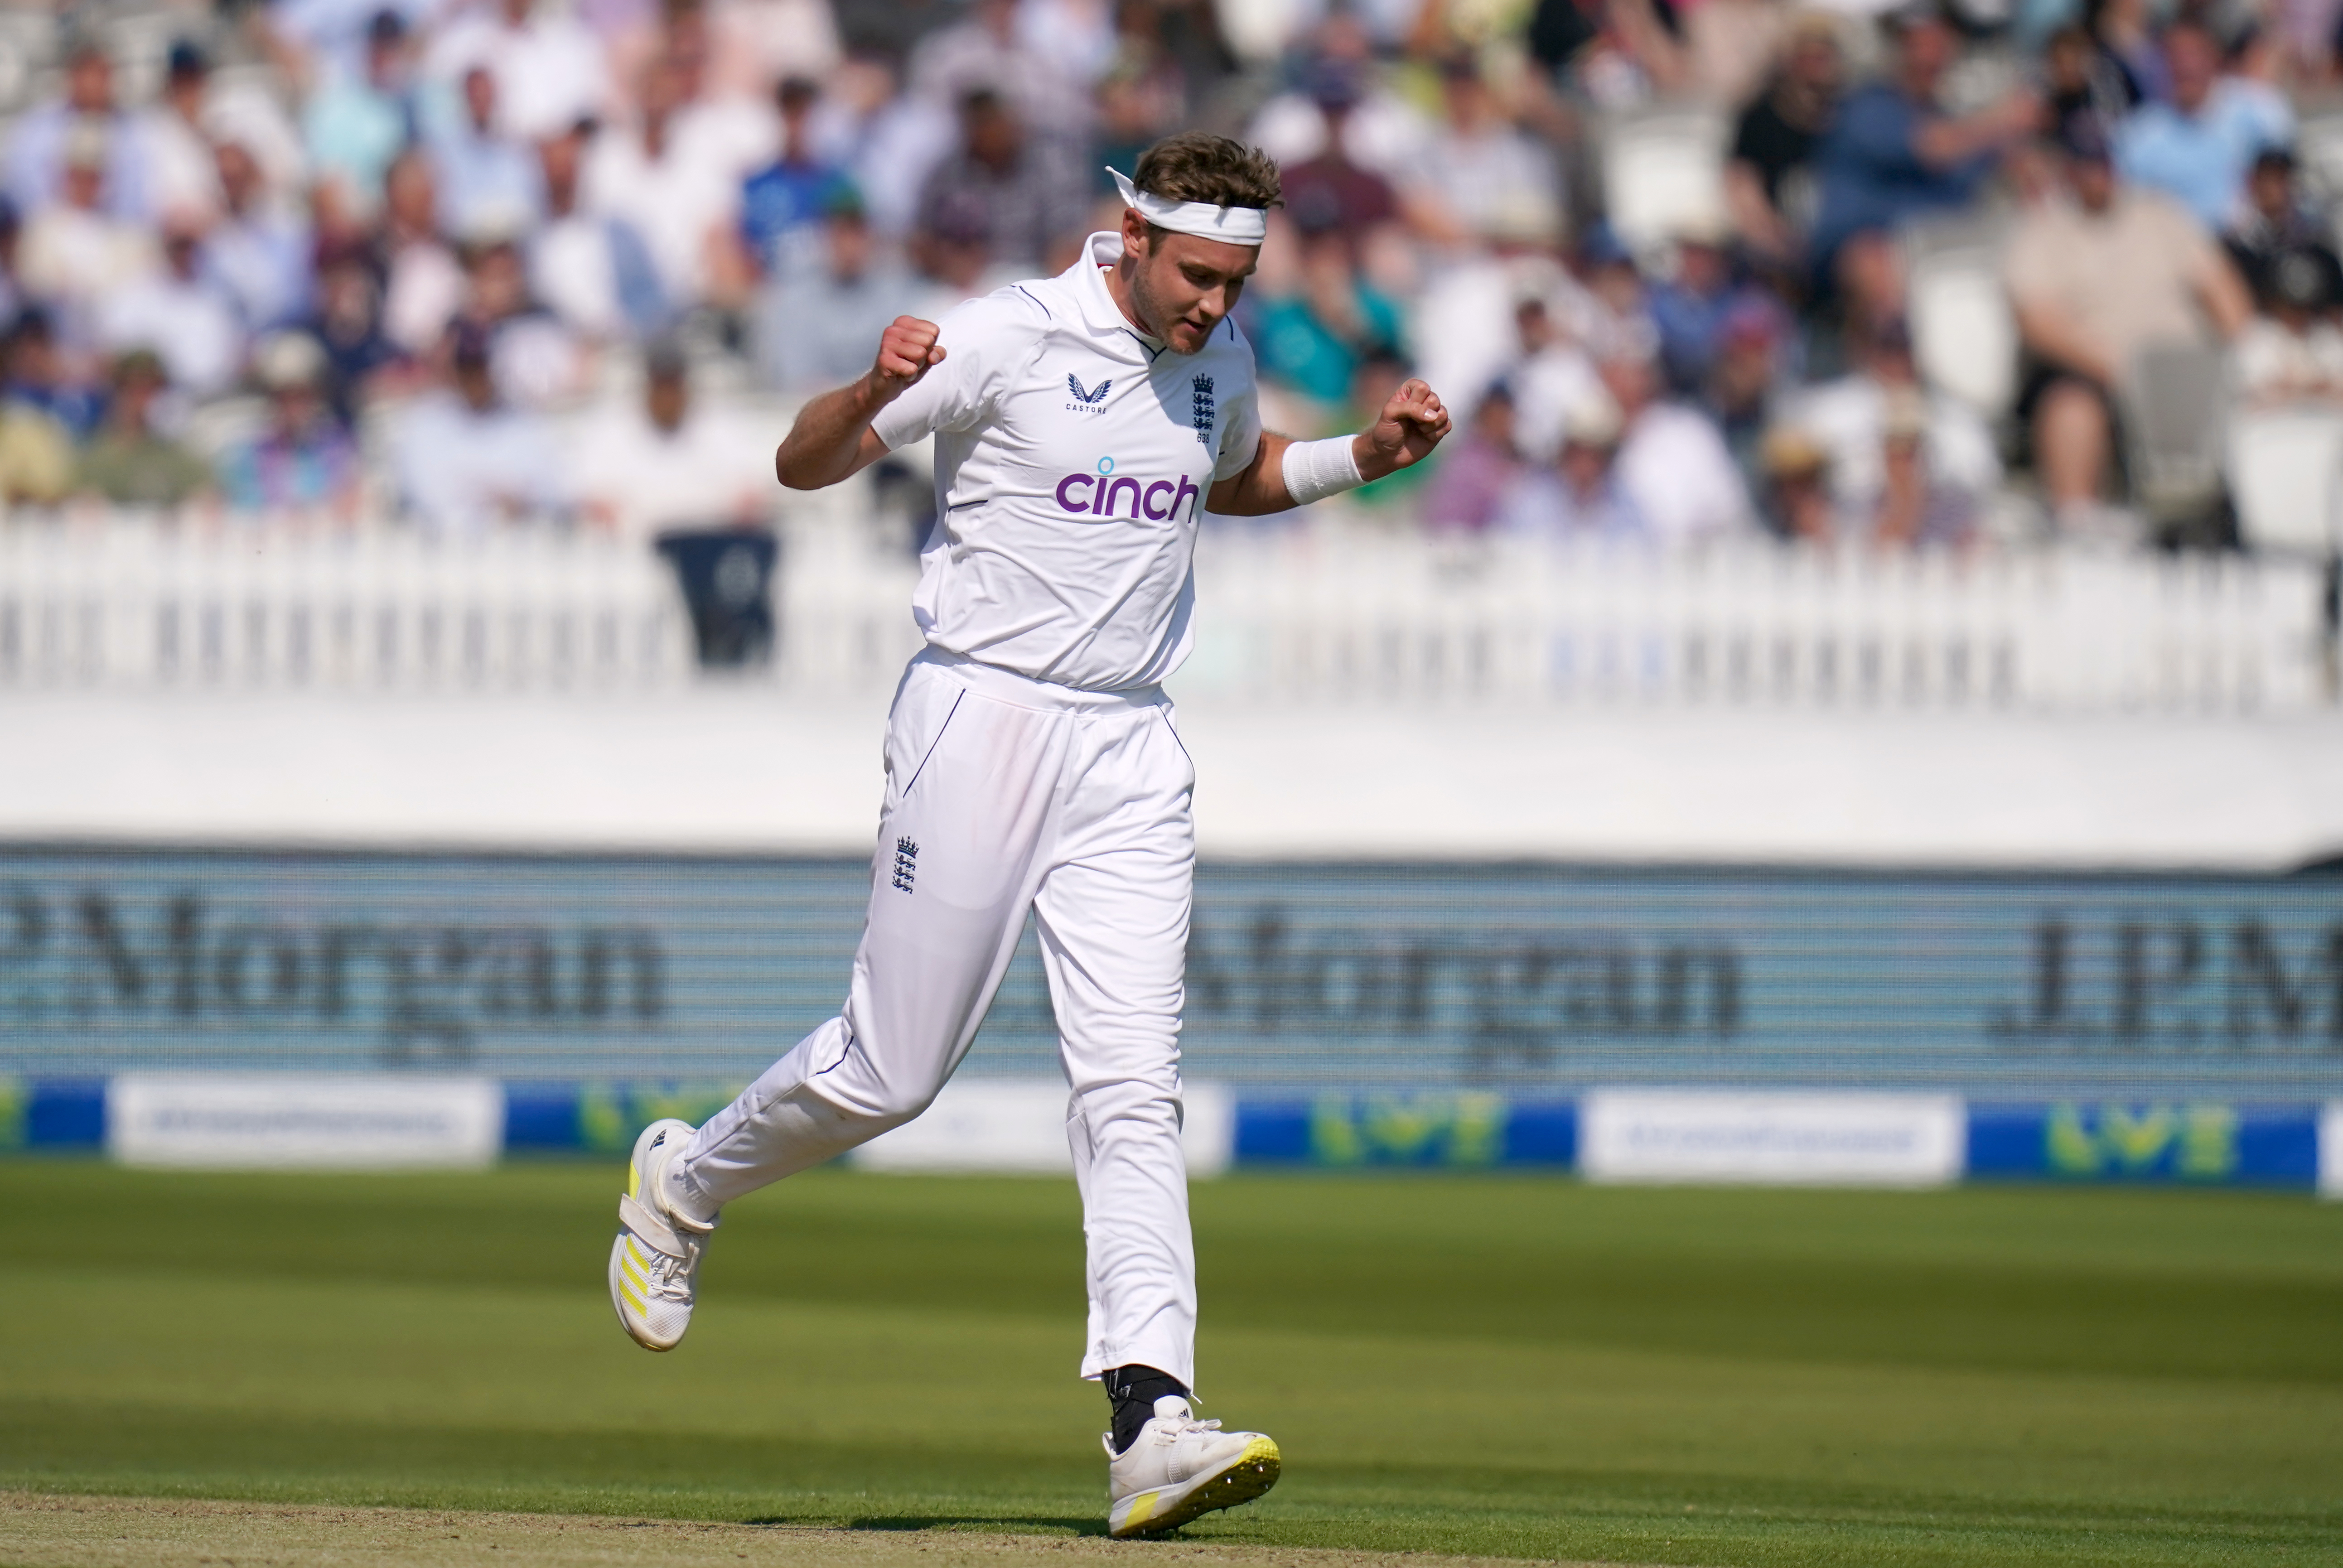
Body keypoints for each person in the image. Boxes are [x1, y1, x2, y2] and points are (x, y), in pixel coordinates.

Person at [604, 130, 1449, 1541]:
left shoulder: (1217, 356)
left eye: (1236, 280)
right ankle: (682, 1181)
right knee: (890, 1073)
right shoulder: (1006, 331)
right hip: (980, 713)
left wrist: (1364, 455)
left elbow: (1221, 479)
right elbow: (803, 462)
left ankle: (1150, 1417)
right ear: (1127, 232)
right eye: (1194, 273)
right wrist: (875, 386)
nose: (1213, 304)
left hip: (1129, 739)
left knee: (1132, 1082)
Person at [2004, 118, 2251, 525]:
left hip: (2186, 369)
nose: (2095, 174)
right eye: (2084, 165)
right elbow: (2035, 321)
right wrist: (2116, 367)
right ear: (2068, 170)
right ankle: (2076, 522)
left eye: (2101, 163)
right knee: (2070, 406)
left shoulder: (2160, 215)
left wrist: (2246, 351)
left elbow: (2220, 288)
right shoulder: (2044, 231)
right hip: (2098, 372)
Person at [2114, 21, 2290, 234]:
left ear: (2214, 58)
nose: (2186, 66)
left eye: (2194, 55)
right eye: (2175, 57)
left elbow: (2285, 186)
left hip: (2253, 240)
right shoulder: (2137, 136)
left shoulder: (2260, 111)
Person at [73, 348, 212, 507]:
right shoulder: (97, 456)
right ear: (118, 393)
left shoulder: (179, 456)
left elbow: (205, 496)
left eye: (153, 390)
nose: (144, 399)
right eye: (135, 389)